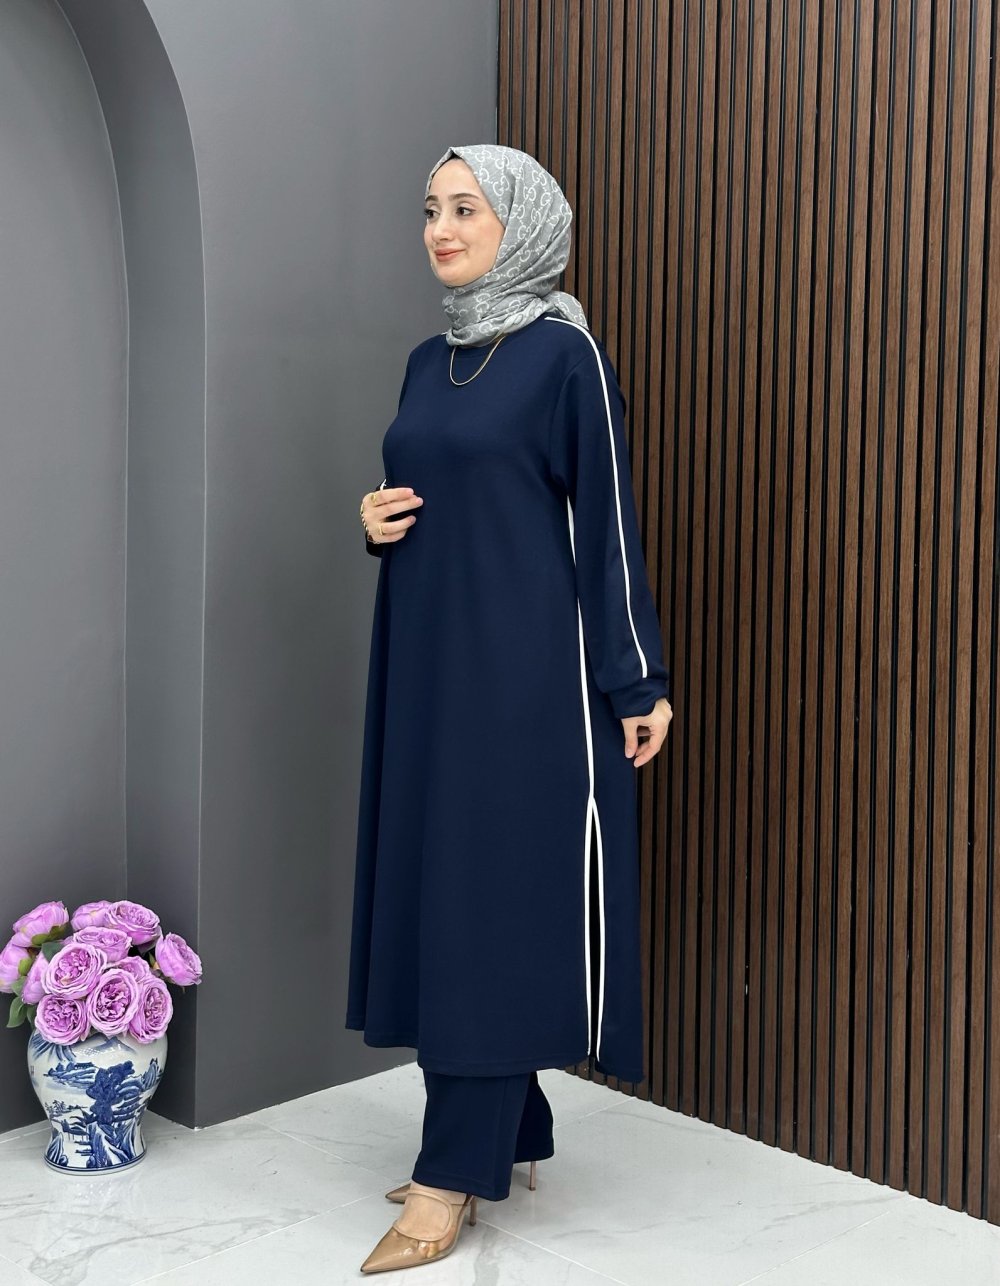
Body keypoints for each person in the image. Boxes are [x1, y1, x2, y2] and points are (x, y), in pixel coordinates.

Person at [347, 143, 673, 1275]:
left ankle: (452, 1171)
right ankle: (510, 1129)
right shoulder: (426, 360)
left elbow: (608, 523)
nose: (440, 228)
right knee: (444, 891)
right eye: (430, 208)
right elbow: (435, 487)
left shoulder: (564, 357)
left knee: (484, 903)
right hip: (428, 668)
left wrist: (636, 678)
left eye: (466, 209)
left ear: (520, 223)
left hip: (525, 681)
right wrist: (374, 518)